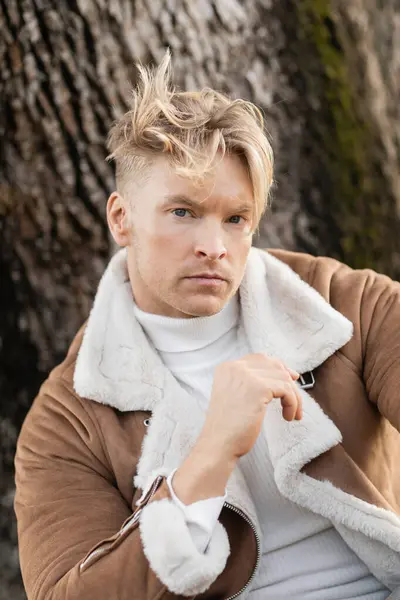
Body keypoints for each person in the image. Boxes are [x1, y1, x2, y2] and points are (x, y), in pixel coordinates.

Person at [14, 51, 400, 600]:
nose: (214, 247)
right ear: (121, 218)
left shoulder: (347, 305)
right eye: (182, 212)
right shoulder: (68, 419)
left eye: (235, 219)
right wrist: (208, 458)